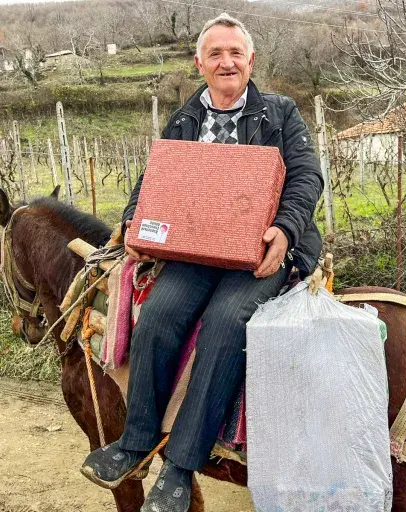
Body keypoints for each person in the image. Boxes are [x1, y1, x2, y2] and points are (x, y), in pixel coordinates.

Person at [82, 13, 324, 511]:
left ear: (251, 60)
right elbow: (154, 183)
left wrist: (286, 229)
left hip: (261, 254)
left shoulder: (280, 113)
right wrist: (133, 224)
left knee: (224, 322)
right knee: (159, 315)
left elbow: (306, 179)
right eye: (215, 53)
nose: (226, 61)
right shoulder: (185, 118)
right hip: (197, 251)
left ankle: (180, 466)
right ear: (200, 63)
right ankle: (135, 443)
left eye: (235, 52)